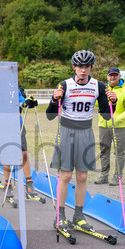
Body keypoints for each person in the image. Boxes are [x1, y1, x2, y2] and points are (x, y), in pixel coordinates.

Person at [47, 50, 114, 231]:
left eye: (86, 66)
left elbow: (107, 116)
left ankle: (78, 215)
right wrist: (54, 99)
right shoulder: (64, 85)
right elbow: (50, 116)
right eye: (79, 66)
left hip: (85, 131)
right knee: (66, 175)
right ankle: (60, 215)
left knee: (83, 176)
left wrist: (112, 103)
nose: (83, 70)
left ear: (91, 67)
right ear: (74, 67)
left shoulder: (98, 86)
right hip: (67, 131)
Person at [95, 67, 125, 186]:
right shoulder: (103, 89)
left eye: (115, 75)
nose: (112, 77)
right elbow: (97, 103)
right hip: (104, 125)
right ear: (107, 77)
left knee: (119, 152)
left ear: (119, 76)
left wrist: (117, 119)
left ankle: (117, 176)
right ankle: (104, 175)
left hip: (118, 127)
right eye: (110, 75)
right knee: (104, 151)